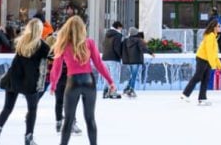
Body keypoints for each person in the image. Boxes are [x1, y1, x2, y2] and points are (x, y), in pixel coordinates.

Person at [48, 15, 116, 145]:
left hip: (72, 82)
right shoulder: (89, 43)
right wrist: (110, 81)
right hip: (89, 82)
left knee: (68, 120)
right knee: (90, 119)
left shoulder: (63, 44)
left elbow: (56, 68)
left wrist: (53, 85)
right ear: (82, 29)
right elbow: (99, 64)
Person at [0, 18, 50, 145]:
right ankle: (29, 136)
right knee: (32, 109)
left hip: (14, 78)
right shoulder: (43, 47)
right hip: (30, 81)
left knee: (7, 107)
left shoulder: (21, 42)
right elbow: (49, 61)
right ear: (40, 30)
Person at [181, 18, 221, 105]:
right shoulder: (210, 36)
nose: (220, 27)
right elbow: (209, 51)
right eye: (219, 26)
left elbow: (214, 53)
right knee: (198, 77)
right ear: (214, 27)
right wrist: (213, 65)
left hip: (206, 60)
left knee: (205, 79)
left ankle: (202, 98)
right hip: (202, 58)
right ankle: (185, 94)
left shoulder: (213, 36)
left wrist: (219, 64)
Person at [120, 28, 152, 97]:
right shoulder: (138, 40)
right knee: (134, 76)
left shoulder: (125, 40)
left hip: (129, 61)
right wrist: (150, 53)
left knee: (132, 75)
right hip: (136, 60)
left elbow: (122, 50)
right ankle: (131, 90)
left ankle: (127, 88)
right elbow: (143, 48)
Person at [100, 21, 123, 99]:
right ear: (118, 27)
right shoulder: (118, 35)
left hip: (105, 57)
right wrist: (121, 56)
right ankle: (113, 92)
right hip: (113, 58)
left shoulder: (107, 34)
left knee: (107, 76)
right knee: (114, 76)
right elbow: (117, 47)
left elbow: (103, 44)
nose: (121, 29)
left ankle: (105, 91)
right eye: (121, 28)